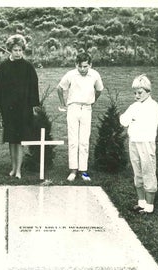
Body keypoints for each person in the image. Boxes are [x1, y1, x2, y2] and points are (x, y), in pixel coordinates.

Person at [0, 34, 40, 179]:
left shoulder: (28, 67)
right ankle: (13, 168)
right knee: (11, 139)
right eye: (15, 50)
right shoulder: (4, 67)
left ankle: (19, 170)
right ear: (10, 50)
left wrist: (33, 107)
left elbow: (34, 87)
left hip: (23, 110)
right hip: (8, 109)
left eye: (20, 50)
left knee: (19, 140)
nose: (18, 53)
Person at [57, 52, 104, 182]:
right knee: (73, 140)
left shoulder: (95, 74)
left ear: (90, 64)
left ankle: (83, 171)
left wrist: (93, 101)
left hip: (87, 109)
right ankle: (73, 170)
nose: (83, 69)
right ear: (76, 64)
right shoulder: (71, 74)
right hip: (73, 108)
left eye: (85, 66)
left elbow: (99, 90)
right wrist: (63, 104)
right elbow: (60, 88)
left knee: (84, 140)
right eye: (80, 66)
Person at [120, 74, 158, 213]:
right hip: (134, 142)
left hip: (146, 142)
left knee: (148, 171)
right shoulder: (134, 106)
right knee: (138, 172)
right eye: (135, 93)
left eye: (140, 92)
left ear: (148, 92)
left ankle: (149, 207)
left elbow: (145, 124)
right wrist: (132, 120)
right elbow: (123, 120)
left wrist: (133, 120)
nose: (136, 95)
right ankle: (141, 202)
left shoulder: (153, 106)